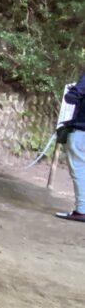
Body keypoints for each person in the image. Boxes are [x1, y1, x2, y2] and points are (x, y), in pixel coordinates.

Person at [56, 71, 85, 222]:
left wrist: (72, 92)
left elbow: (72, 97)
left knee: (79, 171)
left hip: (81, 132)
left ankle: (81, 210)